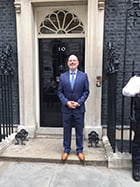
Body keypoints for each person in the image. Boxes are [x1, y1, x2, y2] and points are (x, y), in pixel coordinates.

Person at [57, 54, 89, 161]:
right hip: (66, 109)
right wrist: (66, 102)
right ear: (67, 63)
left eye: (74, 60)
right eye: (70, 60)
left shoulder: (83, 76)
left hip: (79, 108)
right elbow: (59, 92)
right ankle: (66, 149)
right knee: (67, 130)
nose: (72, 62)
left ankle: (79, 150)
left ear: (78, 62)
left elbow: (86, 92)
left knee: (79, 130)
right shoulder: (62, 76)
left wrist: (78, 103)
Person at [122, 74, 140, 182]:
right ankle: (136, 168)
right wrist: (137, 92)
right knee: (138, 142)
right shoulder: (136, 79)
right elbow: (125, 91)